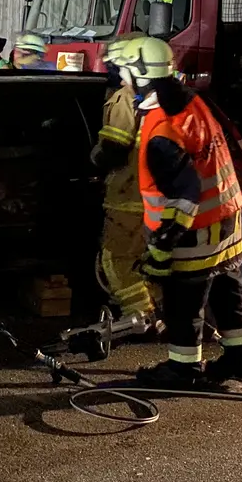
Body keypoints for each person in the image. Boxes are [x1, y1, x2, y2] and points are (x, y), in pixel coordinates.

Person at [105, 35, 242, 389]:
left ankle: (183, 369)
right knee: (226, 291)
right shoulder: (193, 103)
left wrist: (160, 250)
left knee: (183, 302)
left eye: (124, 69)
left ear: (139, 73)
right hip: (226, 221)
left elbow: (183, 196)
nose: (120, 76)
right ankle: (241, 359)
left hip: (195, 231)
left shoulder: (162, 128)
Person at [90, 57, 156, 324]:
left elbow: (114, 150)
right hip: (151, 198)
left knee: (115, 262)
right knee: (147, 264)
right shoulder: (156, 98)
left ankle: (141, 316)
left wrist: (94, 156)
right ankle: (158, 309)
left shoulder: (123, 99)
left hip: (126, 197)